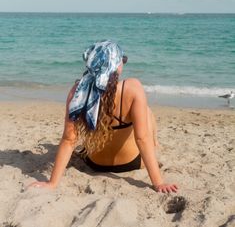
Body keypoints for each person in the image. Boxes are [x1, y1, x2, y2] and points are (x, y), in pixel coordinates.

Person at [29, 40, 178, 193]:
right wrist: (159, 183)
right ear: (116, 65)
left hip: (94, 164)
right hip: (132, 162)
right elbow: (142, 138)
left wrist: (52, 183)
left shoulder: (78, 91)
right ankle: (156, 144)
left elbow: (69, 140)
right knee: (146, 111)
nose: (123, 64)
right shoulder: (132, 88)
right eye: (122, 60)